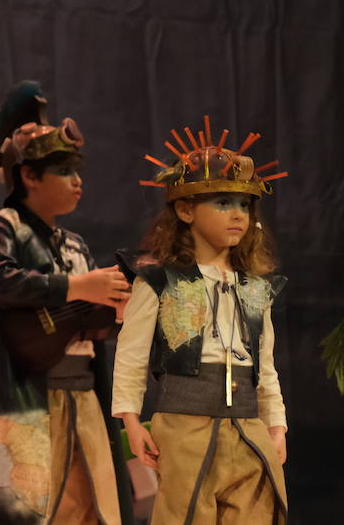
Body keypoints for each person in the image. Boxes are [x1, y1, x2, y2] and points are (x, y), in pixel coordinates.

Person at [0, 82, 131, 524]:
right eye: (64, 170)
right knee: (25, 504)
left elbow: (90, 316)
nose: (78, 181)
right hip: (24, 393)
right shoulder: (2, 226)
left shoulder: (76, 244)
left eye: (77, 169)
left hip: (83, 395)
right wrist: (77, 287)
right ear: (29, 175)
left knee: (87, 502)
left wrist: (119, 309)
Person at [112, 122, 288, 522]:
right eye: (223, 203)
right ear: (186, 209)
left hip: (247, 428)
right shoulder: (160, 278)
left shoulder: (255, 288)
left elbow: (265, 365)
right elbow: (132, 354)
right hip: (184, 428)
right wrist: (131, 420)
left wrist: (276, 425)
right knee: (185, 514)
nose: (238, 216)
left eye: (245, 205)